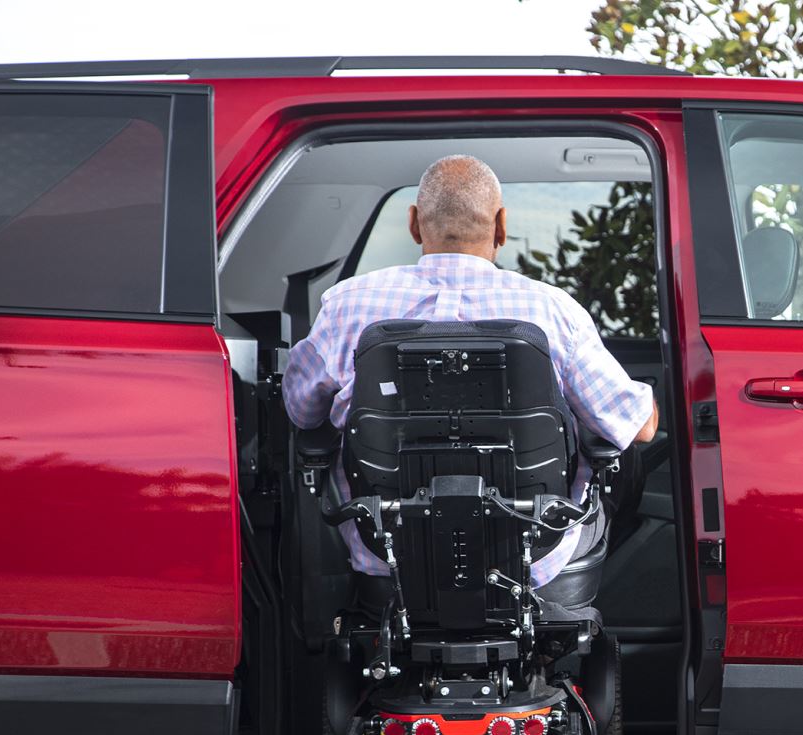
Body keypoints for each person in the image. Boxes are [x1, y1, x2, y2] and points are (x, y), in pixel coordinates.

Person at [282, 154, 658, 587]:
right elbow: (638, 428)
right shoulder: (553, 311)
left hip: (384, 551)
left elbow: (301, 411)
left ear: (414, 223)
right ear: (501, 225)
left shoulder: (347, 306)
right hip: (537, 555)